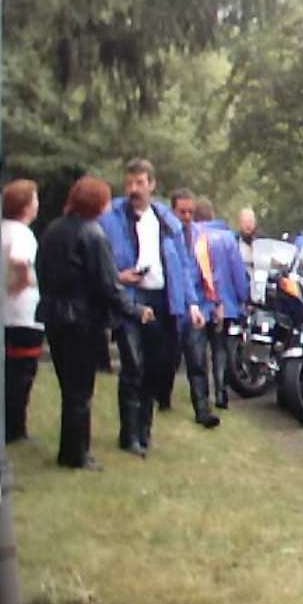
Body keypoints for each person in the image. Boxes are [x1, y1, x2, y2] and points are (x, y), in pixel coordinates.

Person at [35, 176, 154, 469]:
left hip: (53, 314)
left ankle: (69, 450)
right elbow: (108, 285)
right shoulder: (93, 234)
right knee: (80, 391)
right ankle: (77, 454)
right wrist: (135, 310)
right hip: (81, 320)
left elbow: (41, 268)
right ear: (98, 204)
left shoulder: (53, 230)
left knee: (69, 388)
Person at [98, 158, 208, 456]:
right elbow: (99, 258)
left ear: (152, 185)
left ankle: (144, 430)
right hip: (130, 299)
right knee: (133, 365)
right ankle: (129, 435)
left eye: (139, 183)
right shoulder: (111, 219)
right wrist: (117, 276)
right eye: (129, 183)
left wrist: (192, 303)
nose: (133, 189)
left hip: (162, 300)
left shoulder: (166, 222)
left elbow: (183, 265)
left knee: (156, 367)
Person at [169, 188, 223, 428]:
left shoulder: (200, 238)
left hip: (197, 307)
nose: (187, 216)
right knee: (168, 359)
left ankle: (202, 409)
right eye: (182, 212)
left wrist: (215, 302)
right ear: (173, 210)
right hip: (172, 306)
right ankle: (162, 397)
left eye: (190, 212)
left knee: (198, 360)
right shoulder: (165, 236)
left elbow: (210, 272)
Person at [192, 198, 249, 409]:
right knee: (220, 349)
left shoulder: (191, 236)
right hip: (224, 304)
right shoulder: (227, 238)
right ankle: (221, 392)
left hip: (198, 304)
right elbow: (237, 272)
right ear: (212, 215)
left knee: (198, 350)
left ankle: (201, 395)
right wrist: (243, 297)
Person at [1, 179, 44, 443]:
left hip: (3, 312)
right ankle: (16, 428)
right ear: (26, 205)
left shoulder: (0, 229)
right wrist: (23, 281)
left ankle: (7, 422)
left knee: (7, 370)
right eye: (35, 199)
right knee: (22, 373)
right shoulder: (22, 234)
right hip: (23, 313)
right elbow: (19, 259)